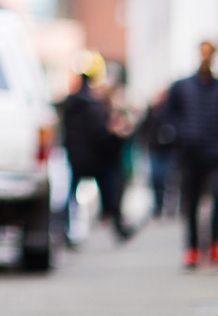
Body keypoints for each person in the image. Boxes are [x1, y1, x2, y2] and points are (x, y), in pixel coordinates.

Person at [165, 40, 218, 269]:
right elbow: (169, 116)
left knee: (216, 199)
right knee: (191, 202)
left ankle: (215, 246)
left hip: (215, 153)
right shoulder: (182, 86)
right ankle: (192, 248)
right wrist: (181, 135)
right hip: (190, 154)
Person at [58, 57, 133, 242]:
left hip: (76, 157)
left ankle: (65, 231)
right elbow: (100, 133)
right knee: (112, 187)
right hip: (96, 159)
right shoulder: (93, 106)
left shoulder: (70, 104)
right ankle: (117, 225)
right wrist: (115, 134)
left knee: (71, 195)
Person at [135, 88, 177, 220]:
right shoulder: (152, 111)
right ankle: (158, 205)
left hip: (168, 149)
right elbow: (144, 128)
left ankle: (169, 205)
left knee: (168, 178)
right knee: (156, 178)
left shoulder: (170, 111)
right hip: (155, 149)